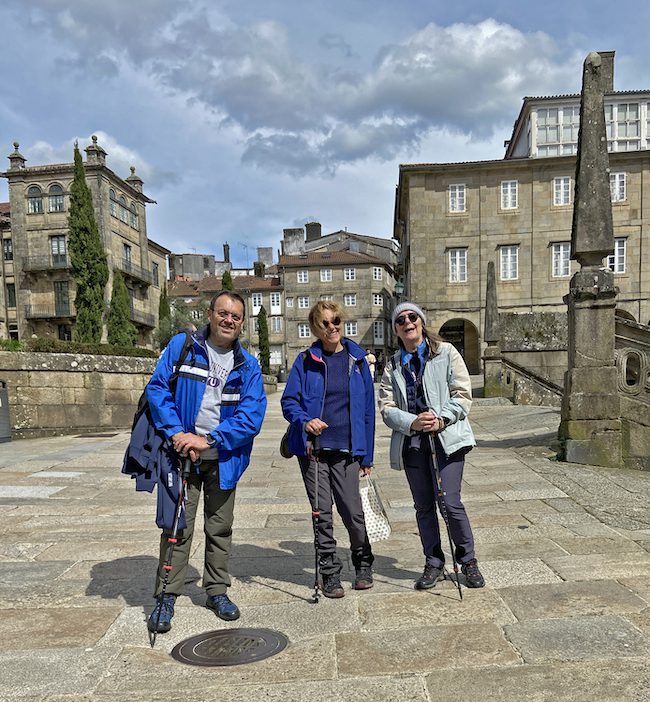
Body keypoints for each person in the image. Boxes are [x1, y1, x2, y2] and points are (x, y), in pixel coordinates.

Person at [145, 290, 267, 633]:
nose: (229, 320)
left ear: (241, 324)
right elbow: (157, 389)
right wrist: (177, 434)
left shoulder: (248, 366)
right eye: (223, 313)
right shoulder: (183, 346)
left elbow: (251, 416)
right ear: (210, 314)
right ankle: (166, 596)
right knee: (177, 527)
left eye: (236, 316)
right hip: (181, 454)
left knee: (219, 527)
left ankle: (216, 590)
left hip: (222, 458)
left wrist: (209, 440)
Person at [378, 302, 484, 590]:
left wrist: (441, 418)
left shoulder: (446, 353)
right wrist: (413, 422)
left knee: (449, 502)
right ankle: (433, 561)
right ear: (396, 329)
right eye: (400, 320)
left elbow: (462, 394)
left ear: (421, 322)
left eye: (412, 317)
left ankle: (468, 560)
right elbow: (386, 407)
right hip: (413, 443)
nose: (407, 322)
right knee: (424, 507)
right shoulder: (393, 365)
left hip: (446, 440)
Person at [281, 301, 376, 597]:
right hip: (315, 451)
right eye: (325, 323)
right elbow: (289, 402)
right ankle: (329, 571)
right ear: (315, 328)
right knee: (321, 513)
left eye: (336, 320)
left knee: (353, 513)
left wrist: (366, 456)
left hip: (348, 450)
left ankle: (362, 561)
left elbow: (368, 413)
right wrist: (305, 420)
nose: (332, 327)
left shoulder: (357, 360)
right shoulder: (305, 360)